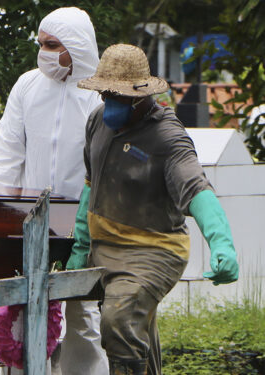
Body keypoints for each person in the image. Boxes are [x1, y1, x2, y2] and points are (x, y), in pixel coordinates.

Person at [72, 43, 239, 374]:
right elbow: (91, 185)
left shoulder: (167, 136)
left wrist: (221, 242)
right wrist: (79, 245)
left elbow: (196, 189)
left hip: (152, 249)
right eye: (104, 94)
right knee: (137, 326)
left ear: (139, 96)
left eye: (116, 96)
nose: (107, 102)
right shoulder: (98, 123)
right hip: (105, 245)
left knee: (119, 316)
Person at [0, 7, 109, 375]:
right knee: (22, 315)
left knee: (81, 315)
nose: (44, 53)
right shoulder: (28, 85)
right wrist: (1, 210)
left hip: (82, 225)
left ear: (76, 46)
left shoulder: (100, 94)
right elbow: (7, 150)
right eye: (41, 44)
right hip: (29, 222)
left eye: (52, 45)